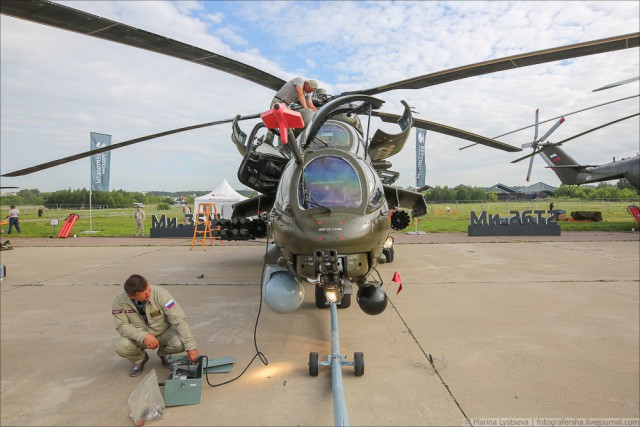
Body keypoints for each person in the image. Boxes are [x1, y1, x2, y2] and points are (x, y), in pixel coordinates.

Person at [112, 274, 199, 377]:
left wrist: (191, 347)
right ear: (131, 296)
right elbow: (121, 325)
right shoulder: (119, 300)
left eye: (148, 289)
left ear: (147, 283)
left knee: (179, 343)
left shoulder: (161, 294)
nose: (148, 294)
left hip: (163, 334)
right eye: (144, 295)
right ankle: (140, 359)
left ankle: (163, 353)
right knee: (121, 346)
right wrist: (143, 336)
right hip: (139, 338)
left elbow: (179, 319)